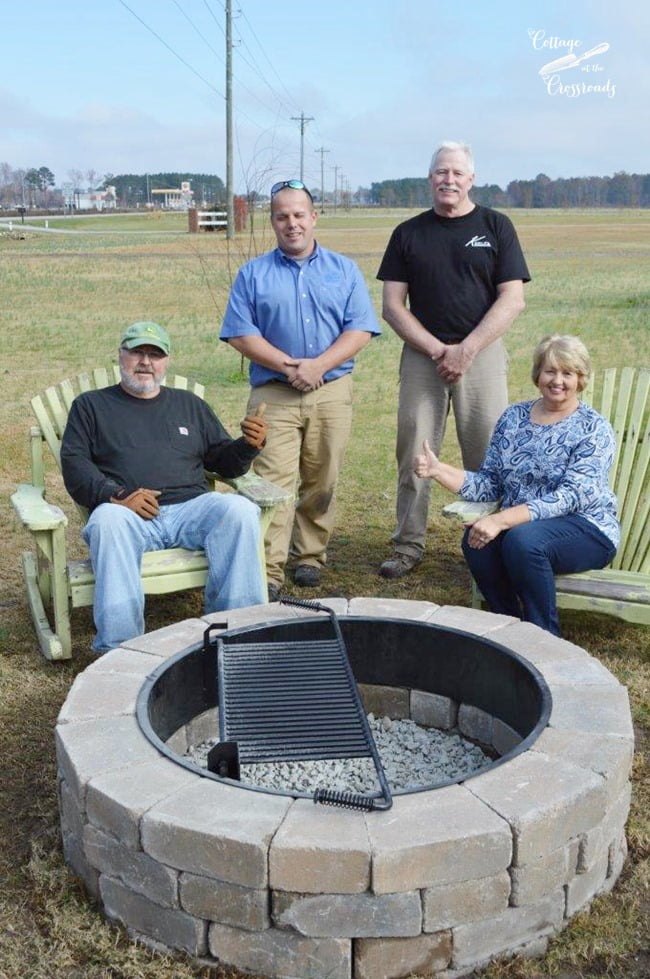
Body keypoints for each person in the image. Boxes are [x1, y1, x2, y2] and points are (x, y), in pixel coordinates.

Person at [60, 321, 269, 654]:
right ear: (121, 356)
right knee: (107, 522)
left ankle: (236, 637)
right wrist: (117, 497)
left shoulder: (189, 405)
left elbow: (222, 460)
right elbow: (74, 465)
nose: (146, 362)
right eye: (137, 352)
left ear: (166, 362)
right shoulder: (91, 407)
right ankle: (120, 650)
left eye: (155, 355)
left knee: (240, 510)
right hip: (129, 512)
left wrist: (247, 446)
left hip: (191, 509)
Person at [220, 179, 380, 600]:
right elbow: (240, 334)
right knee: (271, 481)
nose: (291, 223)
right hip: (274, 392)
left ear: (314, 217)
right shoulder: (253, 274)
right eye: (282, 216)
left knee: (322, 475)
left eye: (298, 215)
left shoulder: (344, 270)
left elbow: (361, 327)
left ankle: (309, 556)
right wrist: (292, 367)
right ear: (272, 221)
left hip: (331, 390)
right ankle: (269, 569)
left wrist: (318, 367)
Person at [377, 141, 531, 579]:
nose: (449, 180)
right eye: (441, 172)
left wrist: (466, 350)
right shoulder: (408, 233)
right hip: (423, 359)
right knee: (415, 451)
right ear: (430, 179)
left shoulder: (496, 226)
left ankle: (489, 544)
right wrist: (437, 349)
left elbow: (513, 299)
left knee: (489, 454)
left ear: (471, 179)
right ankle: (407, 545)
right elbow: (392, 305)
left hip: (481, 356)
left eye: (457, 173)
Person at [413, 335, 619, 636]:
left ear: (581, 379)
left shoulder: (593, 428)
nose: (557, 380)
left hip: (586, 528)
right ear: (538, 374)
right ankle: (509, 627)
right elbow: (491, 483)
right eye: (550, 371)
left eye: (567, 373)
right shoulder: (514, 418)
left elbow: (571, 496)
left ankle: (544, 637)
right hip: (522, 527)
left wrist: (501, 519)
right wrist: (439, 470)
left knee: (523, 540)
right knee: (477, 540)